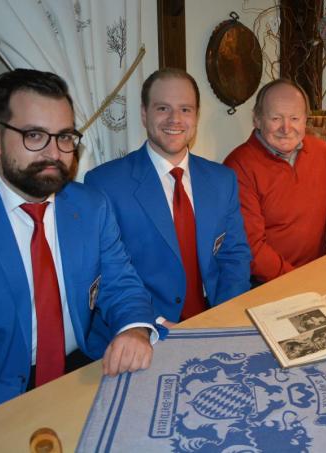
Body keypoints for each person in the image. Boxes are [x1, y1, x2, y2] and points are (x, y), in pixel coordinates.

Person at [0, 69, 159, 427]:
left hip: (83, 370)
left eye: (64, 137)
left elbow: (122, 285)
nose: (54, 152)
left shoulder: (91, 205)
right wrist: (18, 410)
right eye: (34, 135)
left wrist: (134, 329)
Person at [85, 68, 251, 326]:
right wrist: (156, 324)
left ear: (196, 116)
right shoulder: (105, 184)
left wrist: (224, 316)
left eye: (185, 109)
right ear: (144, 114)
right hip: (146, 324)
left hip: (215, 315)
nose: (175, 119)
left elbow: (234, 256)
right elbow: (107, 275)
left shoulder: (222, 180)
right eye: (163, 108)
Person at [223, 79, 326, 284]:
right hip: (267, 284)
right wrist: (297, 282)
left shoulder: (324, 154)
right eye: (276, 118)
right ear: (257, 119)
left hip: (321, 274)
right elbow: (252, 248)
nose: (286, 128)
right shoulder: (238, 167)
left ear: (305, 120)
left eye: (294, 118)